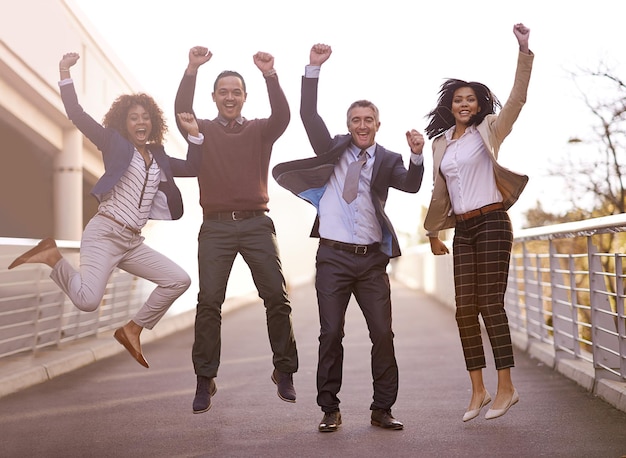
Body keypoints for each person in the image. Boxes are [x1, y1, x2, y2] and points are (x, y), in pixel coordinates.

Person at [8, 52, 198, 369]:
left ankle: (132, 330)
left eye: (145, 117)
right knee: (87, 301)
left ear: (153, 122)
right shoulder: (114, 144)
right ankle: (52, 256)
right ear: (124, 122)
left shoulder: (159, 156)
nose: (141, 122)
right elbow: (77, 115)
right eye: (134, 117)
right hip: (105, 233)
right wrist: (64, 70)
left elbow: (194, 166)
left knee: (178, 280)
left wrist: (195, 135)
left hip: (132, 243)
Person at [272, 44, 425, 432]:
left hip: (372, 261)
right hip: (333, 258)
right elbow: (308, 114)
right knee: (331, 333)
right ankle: (329, 408)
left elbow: (410, 185)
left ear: (377, 124)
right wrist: (313, 68)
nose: (361, 125)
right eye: (356, 119)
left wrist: (417, 155)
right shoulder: (333, 148)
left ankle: (382, 408)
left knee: (382, 335)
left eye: (368, 119)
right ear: (349, 124)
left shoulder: (388, 159)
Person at [174, 46, 298, 414]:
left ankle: (284, 370)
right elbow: (182, 110)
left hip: (257, 224)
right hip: (215, 228)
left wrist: (270, 75)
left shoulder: (261, 130)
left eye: (236, 92)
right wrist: (192, 69)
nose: (230, 97)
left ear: (244, 97)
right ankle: (204, 379)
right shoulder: (202, 130)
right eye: (223, 92)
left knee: (277, 296)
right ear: (214, 97)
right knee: (209, 302)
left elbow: (284, 115)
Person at [423, 23, 533, 421]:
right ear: (450, 106)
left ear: (479, 105)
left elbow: (518, 99)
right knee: (462, 310)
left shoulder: (490, 130)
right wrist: (434, 232)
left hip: (492, 222)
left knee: (490, 304)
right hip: (464, 229)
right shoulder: (441, 144)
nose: (464, 104)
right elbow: (439, 194)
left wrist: (523, 51)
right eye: (458, 100)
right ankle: (478, 390)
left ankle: (507, 387)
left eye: (470, 99)